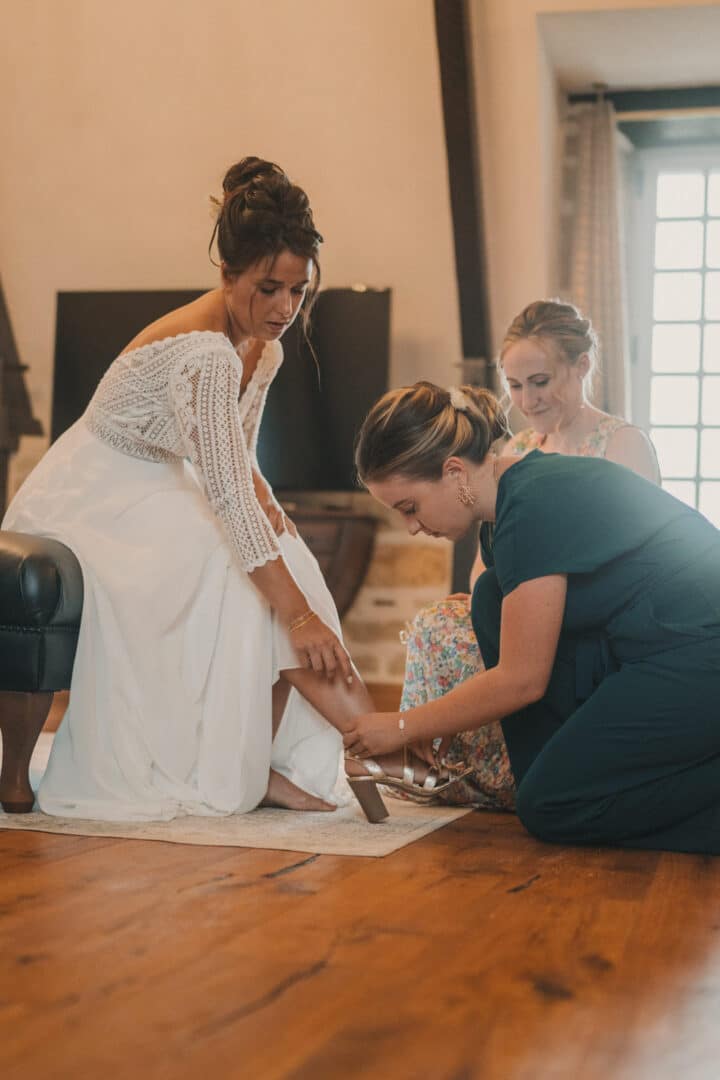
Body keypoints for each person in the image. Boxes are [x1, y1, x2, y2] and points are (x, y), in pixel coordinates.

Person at [3, 156, 431, 823]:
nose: (286, 308)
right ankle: (374, 752)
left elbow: (240, 461)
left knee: (287, 560)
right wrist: (299, 615)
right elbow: (225, 494)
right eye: (268, 289)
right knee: (252, 581)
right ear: (227, 274)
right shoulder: (204, 352)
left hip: (162, 487)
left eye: (298, 290)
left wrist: (277, 518)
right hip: (94, 500)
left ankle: (367, 747)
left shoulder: (269, 345)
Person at [347, 380, 720, 855]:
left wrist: (406, 725)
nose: (412, 527)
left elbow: (523, 680)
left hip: (700, 649)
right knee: (488, 596)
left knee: (551, 808)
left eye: (409, 507)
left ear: (454, 470)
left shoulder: (531, 505)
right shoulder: (504, 515)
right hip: (646, 646)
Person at [400, 300, 659, 810]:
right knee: (437, 623)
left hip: (593, 611)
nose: (527, 400)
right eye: (515, 386)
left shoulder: (621, 445)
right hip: (521, 601)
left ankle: (515, 773)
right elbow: (491, 564)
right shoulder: (516, 446)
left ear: (581, 366)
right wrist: (473, 599)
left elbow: (641, 556)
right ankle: (444, 768)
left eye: (539, 381)